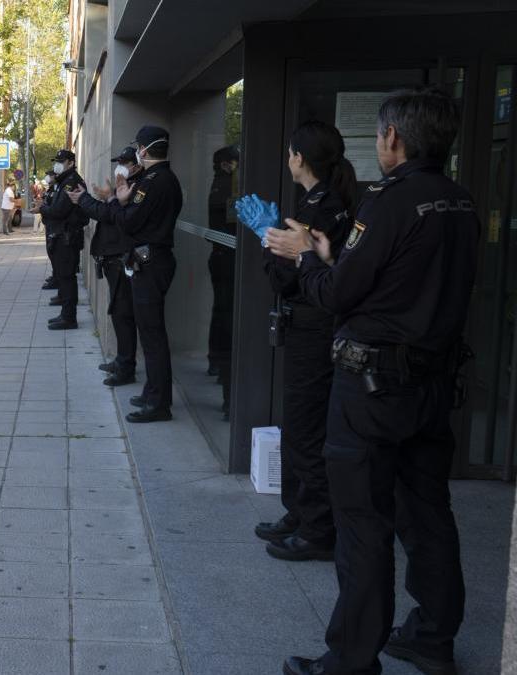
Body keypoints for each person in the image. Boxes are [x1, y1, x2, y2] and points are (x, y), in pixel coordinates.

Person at [266, 88, 477, 675]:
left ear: (393, 139)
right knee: (429, 514)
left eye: (382, 135)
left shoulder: (388, 202)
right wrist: (334, 260)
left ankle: (351, 659)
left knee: (363, 523)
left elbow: (338, 295)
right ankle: (433, 637)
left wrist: (308, 255)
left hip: (373, 388)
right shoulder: (461, 202)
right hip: (434, 386)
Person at [248, 121, 356, 564]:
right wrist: (274, 239)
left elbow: (289, 280)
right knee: (298, 427)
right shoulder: (316, 201)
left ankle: (318, 528)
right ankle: (299, 512)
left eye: (291, 152)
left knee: (307, 431)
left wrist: (269, 242)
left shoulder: (322, 207)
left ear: (299, 158)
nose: (288, 159)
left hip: (315, 327)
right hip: (309, 326)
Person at [69, 125, 181, 423]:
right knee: (148, 332)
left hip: (151, 262)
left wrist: (114, 203)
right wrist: (116, 202)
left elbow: (129, 221)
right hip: (148, 261)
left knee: (153, 336)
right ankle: (152, 392)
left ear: (143, 150)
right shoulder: (157, 179)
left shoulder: (156, 181)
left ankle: (159, 404)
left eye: (138, 150)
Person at [93, 146, 142, 386]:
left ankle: (126, 367)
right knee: (119, 313)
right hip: (115, 259)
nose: (120, 167)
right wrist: (109, 197)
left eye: (125, 162)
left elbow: (114, 216)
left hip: (125, 259)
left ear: (136, 165)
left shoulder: (136, 189)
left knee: (124, 314)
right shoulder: (121, 188)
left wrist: (109, 199)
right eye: (119, 162)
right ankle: (122, 360)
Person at [36, 149, 88, 330]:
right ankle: (65, 314)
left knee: (67, 277)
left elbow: (59, 210)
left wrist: (42, 208)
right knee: (64, 277)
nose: (57, 164)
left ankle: (69, 317)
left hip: (68, 237)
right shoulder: (64, 181)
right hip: (60, 235)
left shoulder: (72, 182)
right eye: (56, 160)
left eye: (61, 161)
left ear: (71, 162)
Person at [207, 145, 240, 418]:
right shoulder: (225, 186)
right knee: (225, 314)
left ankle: (216, 362)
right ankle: (219, 365)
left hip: (223, 255)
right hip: (226, 257)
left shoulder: (221, 184)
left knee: (221, 312)